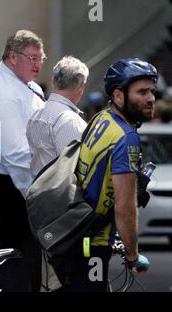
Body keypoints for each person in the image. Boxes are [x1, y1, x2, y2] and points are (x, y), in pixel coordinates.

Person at [50, 58, 155, 292]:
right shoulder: (126, 137)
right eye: (142, 92)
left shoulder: (101, 119)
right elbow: (125, 205)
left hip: (74, 234)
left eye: (152, 91)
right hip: (92, 243)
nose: (150, 98)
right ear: (119, 95)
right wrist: (132, 255)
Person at [0, 29, 45, 291]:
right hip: (11, 184)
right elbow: (16, 153)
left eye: (41, 58)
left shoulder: (25, 84)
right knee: (20, 257)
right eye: (32, 58)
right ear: (13, 57)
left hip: (23, 179)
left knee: (29, 257)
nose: (38, 64)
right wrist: (35, 195)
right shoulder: (1, 91)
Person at [26, 56, 89, 291]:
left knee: (49, 278)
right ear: (81, 86)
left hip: (40, 207)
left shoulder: (37, 116)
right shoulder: (71, 121)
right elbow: (76, 172)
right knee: (64, 280)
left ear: (53, 80)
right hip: (65, 213)